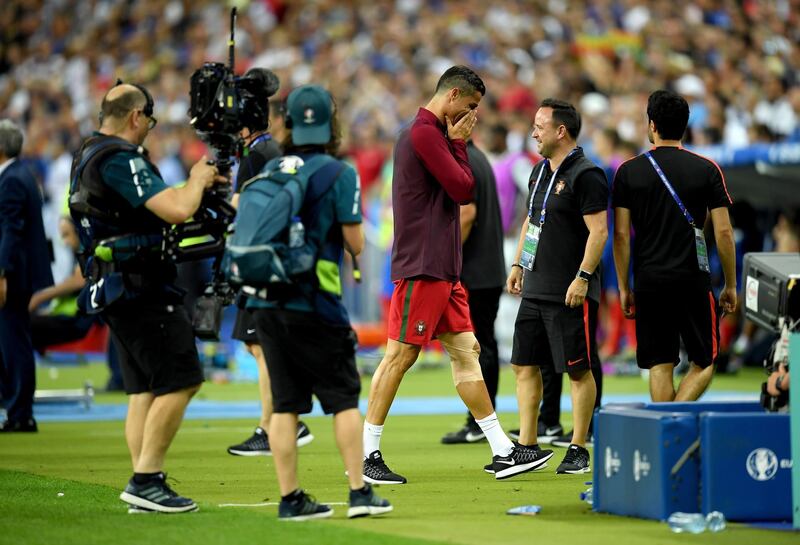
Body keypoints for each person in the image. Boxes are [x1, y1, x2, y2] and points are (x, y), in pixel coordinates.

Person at [363, 65, 551, 484]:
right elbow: (464, 189)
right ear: (451, 97)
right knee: (400, 355)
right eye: (469, 107)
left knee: (467, 353)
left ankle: (503, 449)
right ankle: (367, 454)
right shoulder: (426, 134)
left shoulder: (432, 134)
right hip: (424, 266)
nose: (471, 117)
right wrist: (461, 144)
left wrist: (457, 142)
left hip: (443, 268)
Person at [69, 82, 226, 513]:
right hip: (140, 287)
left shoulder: (85, 152)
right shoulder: (118, 157)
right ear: (136, 116)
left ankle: (142, 482)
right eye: (149, 121)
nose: (149, 131)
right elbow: (176, 208)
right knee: (182, 379)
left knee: (143, 390)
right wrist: (197, 178)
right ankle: (146, 480)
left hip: (115, 285)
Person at [250, 84, 391, 520]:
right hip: (317, 301)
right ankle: (359, 493)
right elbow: (354, 242)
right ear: (331, 125)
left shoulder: (272, 167)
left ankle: (291, 498)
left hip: (269, 301)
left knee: (285, 405)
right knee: (343, 399)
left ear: (288, 124)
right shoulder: (339, 172)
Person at [612, 89, 737, 402]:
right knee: (705, 359)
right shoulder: (708, 169)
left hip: (649, 280)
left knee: (659, 361)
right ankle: (676, 416)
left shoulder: (629, 171)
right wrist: (731, 284)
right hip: (692, 279)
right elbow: (723, 232)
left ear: (651, 125)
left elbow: (622, 235)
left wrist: (625, 286)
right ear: (685, 125)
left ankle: (665, 426)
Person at [507, 98, 608, 475]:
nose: (533, 132)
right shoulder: (538, 172)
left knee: (579, 371)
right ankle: (528, 445)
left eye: (539, 125)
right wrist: (519, 263)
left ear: (560, 131)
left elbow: (599, 232)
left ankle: (579, 446)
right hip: (535, 285)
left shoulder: (587, 174)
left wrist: (583, 277)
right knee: (523, 365)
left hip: (569, 290)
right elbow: (531, 223)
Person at [226, 69, 313, 457]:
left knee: (259, 344)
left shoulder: (261, 154)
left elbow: (250, 206)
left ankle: (275, 423)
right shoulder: (265, 152)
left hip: (260, 260)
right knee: (257, 345)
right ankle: (286, 418)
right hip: (264, 259)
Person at [440, 139, 506, 444]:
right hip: (488, 267)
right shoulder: (480, 157)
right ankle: (481, 421)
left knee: (477, 347)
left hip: (475, 270)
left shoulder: (464, 159)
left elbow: (466, 214)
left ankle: (479, 422)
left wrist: (449, 257)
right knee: (485, 343)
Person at [0, 119, 54, 432]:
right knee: (13, 339)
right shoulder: (20, 175)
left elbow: (10, 230)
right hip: (18, 273)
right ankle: (17, 407)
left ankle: (20, 412)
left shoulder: (11, 181)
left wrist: (3, 273)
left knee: (14, 341)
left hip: (13, 276)